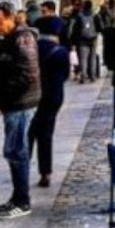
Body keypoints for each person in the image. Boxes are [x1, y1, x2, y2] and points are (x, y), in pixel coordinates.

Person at [0, 2, 42, 220]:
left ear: (11, 17)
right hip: (13, 102)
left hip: (21, 103)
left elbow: (26, 75)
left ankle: (23, 201)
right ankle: (17, 196)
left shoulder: (22, 39)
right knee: (13, 151)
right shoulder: (10, 39)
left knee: (17, 151)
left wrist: (3, 98)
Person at [28, 16, 70, 189]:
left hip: (33, 97)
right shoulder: (61, 51)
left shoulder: (32, 49)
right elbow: (65, 75)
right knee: (46, 134)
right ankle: (45, 172)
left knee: (29, 133)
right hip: (53, 97)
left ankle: (23, 168)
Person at [71, 0, 102, 83]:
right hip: (93, 38)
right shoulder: (95, 15)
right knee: (92, 58)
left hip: (82, 39)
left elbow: (76, 29)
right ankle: (92, 76)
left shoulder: (79, 16)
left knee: (83, 59)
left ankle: (83, 77)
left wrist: (74, 41)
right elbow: (100, 27)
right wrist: (95, 32)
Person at [98, 0, 115, 74]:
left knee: (106, 47)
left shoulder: (105, 11)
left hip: (107, 31)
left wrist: (102, 29)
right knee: (114, 48)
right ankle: (112, 62)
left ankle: (106, 61)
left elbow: (100, 18)